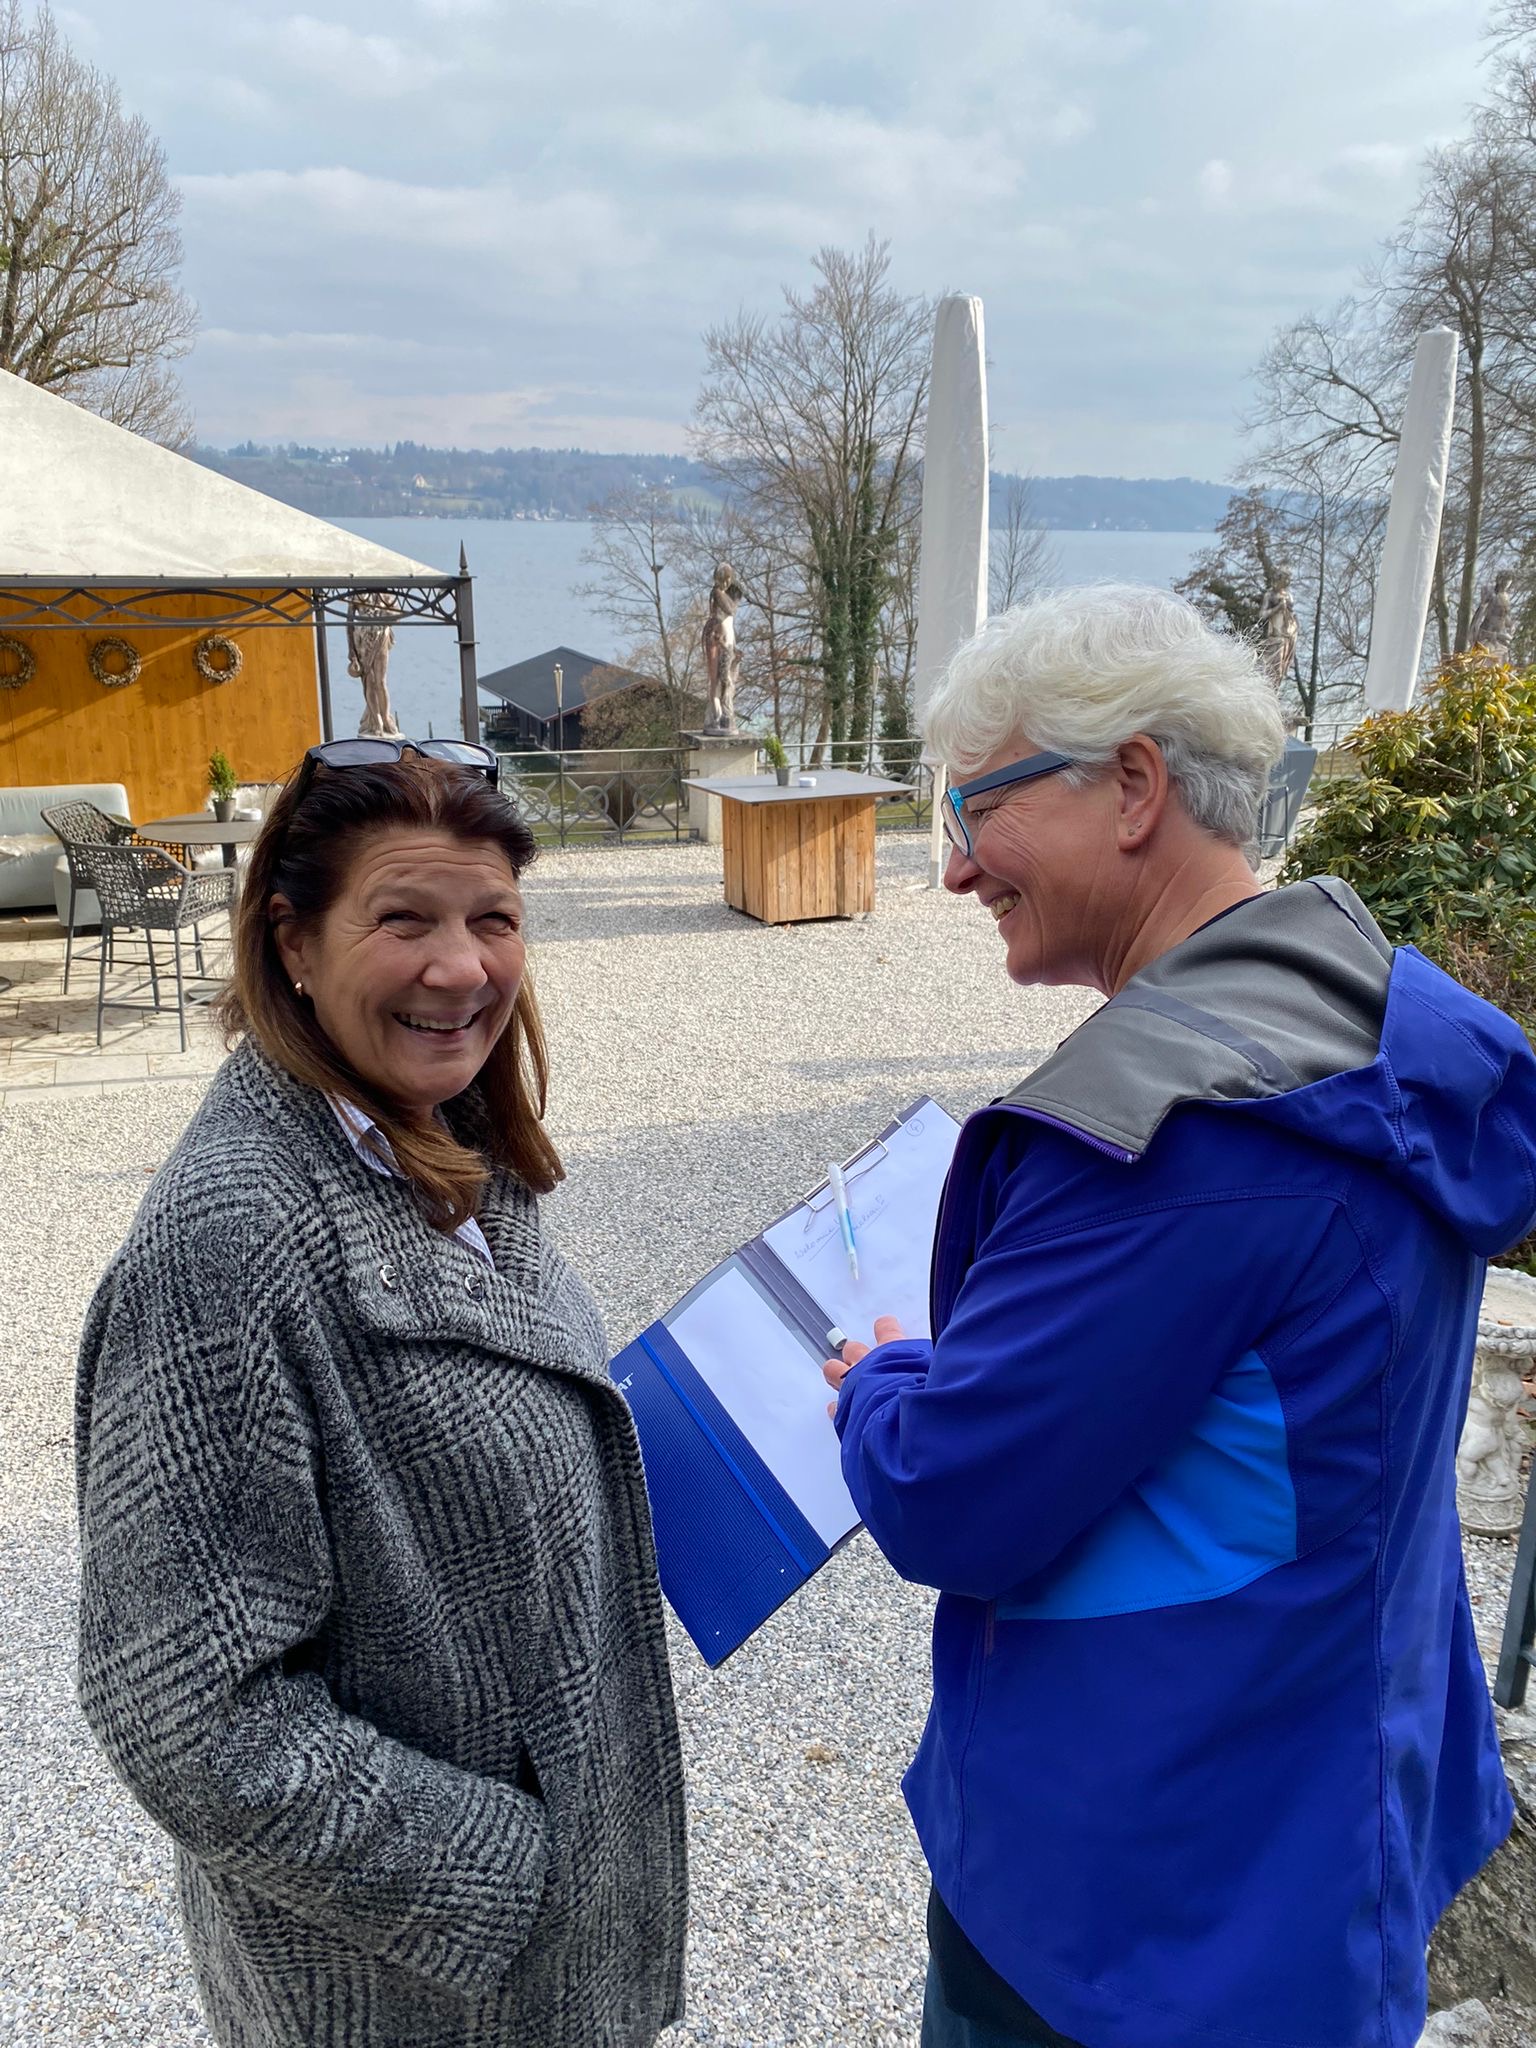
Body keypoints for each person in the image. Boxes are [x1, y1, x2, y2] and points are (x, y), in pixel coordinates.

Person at [823, 587, 1536, 2048]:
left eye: (974, 812)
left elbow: (949, 1497)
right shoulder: (1364, 1022)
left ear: (1135, 785)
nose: (953, 870)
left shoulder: (1172, 1145)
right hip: (1333, 1806)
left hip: (1145, 1905)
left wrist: (883, 1384)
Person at [75, 738, 686, 2048]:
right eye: (403, 919)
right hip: (412, 1992)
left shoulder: (441, 1135)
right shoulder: (228, 1245)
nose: (460, 968)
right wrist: (500, 1871)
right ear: (293, 941)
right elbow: (183, 1709)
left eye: (493, 919)